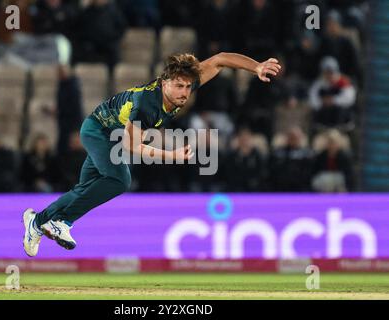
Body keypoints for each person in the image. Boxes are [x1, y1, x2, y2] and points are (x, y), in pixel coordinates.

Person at [22, 51, 281, 257]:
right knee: (119, 180)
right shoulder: (146, 104)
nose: (184, 93)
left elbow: (222, 58)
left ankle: (40, 221)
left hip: (113, 135)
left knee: (86, 188)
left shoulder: (186, 81)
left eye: (188, 87)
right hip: (98, 131)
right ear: (164, 82)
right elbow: (133, 147)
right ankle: (56, 221)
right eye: (178, 86)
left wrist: (257, 66)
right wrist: (175, 155)